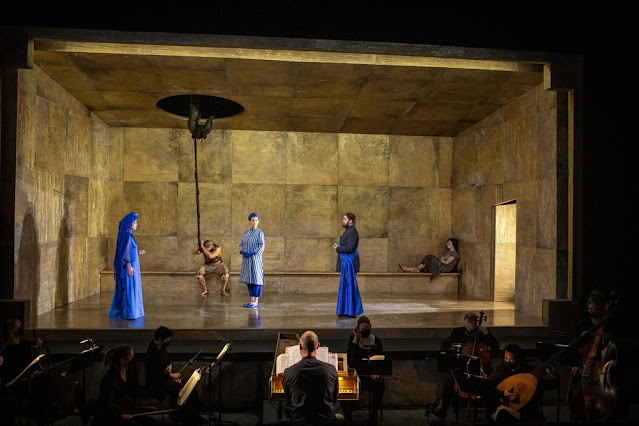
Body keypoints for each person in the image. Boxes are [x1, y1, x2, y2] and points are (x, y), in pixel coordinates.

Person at [432, 312, 500, 420]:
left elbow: (496, 347)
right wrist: (443, 351)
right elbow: (447, 342)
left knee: (490, 383)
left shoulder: (482, 332)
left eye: (471, 327)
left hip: (481, 367)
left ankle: (492, 413)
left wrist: (487, 334)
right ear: (464, 322)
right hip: (463, 366)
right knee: (449, 381)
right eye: (466, 326)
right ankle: (443, 410)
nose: (468, 329)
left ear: (476, 324)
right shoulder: (458, 331)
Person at [144, 326, 201, 424]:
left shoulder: (161, 347)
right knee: (183, 388)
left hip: (164, 379)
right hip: (157, 384)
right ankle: (186, 417)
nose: (168, 342)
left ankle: (192, 414)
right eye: (167, 340)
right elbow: (157, 372)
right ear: (160, 340)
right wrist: (172, 376)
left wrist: (170, 365)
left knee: (188, 384)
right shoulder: (152, 353)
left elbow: (167, 359)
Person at [283, 331, 340, 425]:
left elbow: (290, 401)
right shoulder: (331, 369)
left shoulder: (289, 372)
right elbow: (333, 399)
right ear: (318, 346)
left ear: (300, 346)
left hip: (300, 423)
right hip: (326, 422)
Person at [486, 344, 548, 423]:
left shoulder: (529, 370)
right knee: (501, 415)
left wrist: (555, 376)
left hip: (527, 407)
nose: (508, 362)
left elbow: (545, 386)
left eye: (512, 360)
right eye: (506, 358)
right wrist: (503, 393)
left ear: (519, 359)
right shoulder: (500, 369)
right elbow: (489, 384)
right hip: (508, 406)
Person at [94, 345, 149, 425]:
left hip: (122, 412)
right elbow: (107, 405)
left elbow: (126, 398)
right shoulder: (111, 379)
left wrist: (144, 409)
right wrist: (121, 416)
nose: (133, 360)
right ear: (122, 361)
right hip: (110, 418)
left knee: (152, 422)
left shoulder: (128, 373)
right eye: (131, 357)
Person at [346, 316, 385, 425]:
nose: (365, 332)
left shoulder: (377, 341)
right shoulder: (353, 339)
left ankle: (373, 414)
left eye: (367, 329)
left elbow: (381, 360)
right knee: (343, 385)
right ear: (358, 329)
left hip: (370, 376)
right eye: (362, 330)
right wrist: (356, 337)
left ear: (370, 328)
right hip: (356, 375)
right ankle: (348, 416)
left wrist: (377, 372)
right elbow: (350, 358)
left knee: (379, 384)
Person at [109, 212, 145, 320]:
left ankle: (129, 312)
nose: (136, 224)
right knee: (130, 288)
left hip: (132, 264)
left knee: (131, 288)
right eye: (135, 222)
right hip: (130, 266)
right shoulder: (128, 236)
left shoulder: (128, 236)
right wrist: (129, 266)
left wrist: (137, 252)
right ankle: (131, 312)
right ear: (130, 224)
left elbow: (128, 251)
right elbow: (125, 253)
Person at [333, 213, 363, 317]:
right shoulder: (348, 231)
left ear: (351, 221)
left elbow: (350, 248)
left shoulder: (353, 232)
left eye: (344, 219)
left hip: (350, 263)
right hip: (346, 263)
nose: (343, 220)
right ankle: (345, 310)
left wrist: (338, 248)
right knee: (346, 287)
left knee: (350, 287)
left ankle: (351, 311)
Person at [239, 212, 264, 309]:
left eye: (256, 220)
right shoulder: (246, 233)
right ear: (249, 221)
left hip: (255, 259)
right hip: (247, 260)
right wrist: (242, 251)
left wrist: (253, 252)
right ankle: (251, 299)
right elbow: (241, 243)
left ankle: (256, 301)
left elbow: (261, 245)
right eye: (253, 220)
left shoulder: (260, 233)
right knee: (249, 279)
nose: (255, 222)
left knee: (256, 279)